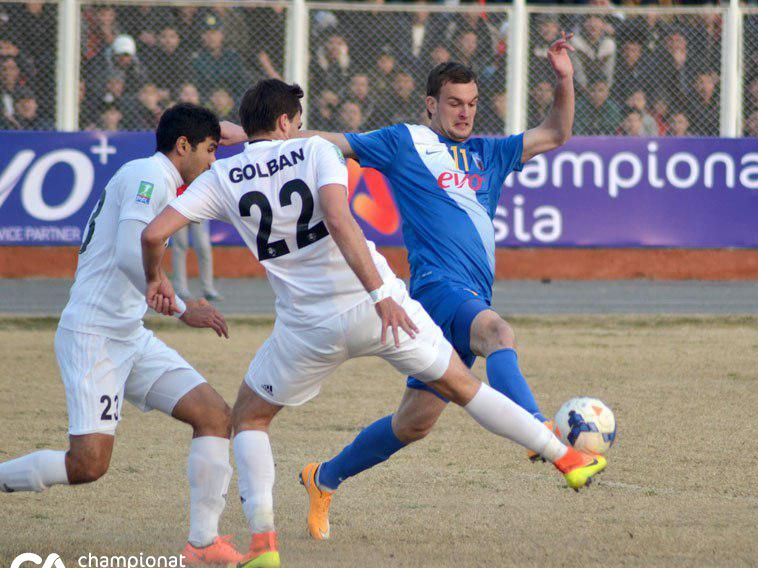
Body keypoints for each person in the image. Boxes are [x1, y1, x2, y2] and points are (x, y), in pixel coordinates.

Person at [143, 79, 606, 568]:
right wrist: (382, 295)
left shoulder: (222, 177)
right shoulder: (316, 149)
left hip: (307, 328)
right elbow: (340, 221)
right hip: (376, 306)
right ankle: (566, 458)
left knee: (251, 419)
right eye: (296, 120)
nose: (301, 127)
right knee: (464, 386)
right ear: (286, 123)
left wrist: (158, 279)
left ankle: (263, 542)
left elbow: (155, 233)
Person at [219, 34, 589, 541]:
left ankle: (323, 478)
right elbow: (326, 142)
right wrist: (252, 135)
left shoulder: (492, 153)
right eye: (454, 104)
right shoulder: (405, 141)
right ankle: (541, 432)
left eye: (473, 104)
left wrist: (564, 78)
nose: (465, 113)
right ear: (432, 104)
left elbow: (557, 132)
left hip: (471, 295)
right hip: (437, 291)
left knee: (413, 424)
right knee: (498, 334)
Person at [0, 104, 241, 567]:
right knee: (87, 465)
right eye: (210, 150)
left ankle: (203, 543)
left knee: (213, 415)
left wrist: (231, 132)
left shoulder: (162, 178)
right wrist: (182, 306)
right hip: (94, 335)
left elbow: (139, 252)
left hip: (129, 334)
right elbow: (135, 250)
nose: (215, 161)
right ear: (183, 146)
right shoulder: (149, 177)